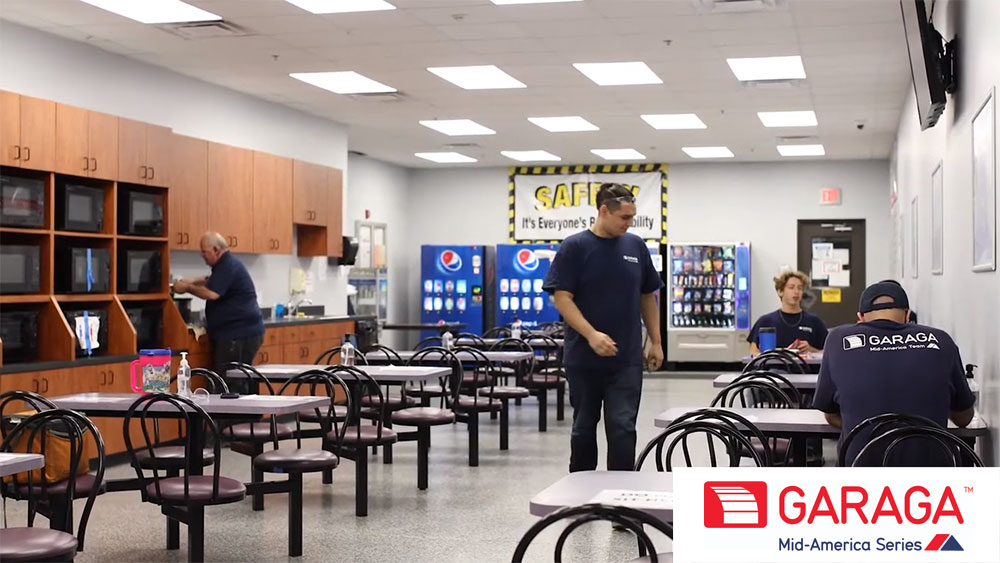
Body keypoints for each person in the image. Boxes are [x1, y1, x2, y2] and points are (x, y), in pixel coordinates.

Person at [543, 182, 663, 473]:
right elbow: (562, 298)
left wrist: (656, 341)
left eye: (632, 217)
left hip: (627, 359)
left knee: (623, 428)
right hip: (584, 358)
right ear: (603, 211)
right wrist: (591, 334)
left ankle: (620, 500)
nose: (629, 223)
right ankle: (582, 498)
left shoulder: (635, 246)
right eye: (624, 217)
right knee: (584, 428)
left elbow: (647, 295)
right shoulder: (575, 247)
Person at [812, 281, 975, 465]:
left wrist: (873, 426)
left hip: (863, 470)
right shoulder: (941, 339)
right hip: (932, 473)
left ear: (861, 318)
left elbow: (830, 414)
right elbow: (964, 418)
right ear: (907, 315)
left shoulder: (837, 339)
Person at [172, 232, 265, 391]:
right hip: (241, 332)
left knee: (231, 380)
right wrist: (192, 280)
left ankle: (236, 415)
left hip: (238, 334)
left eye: (204, 251)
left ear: (216, 249)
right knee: (239, 377)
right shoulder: (225, 265)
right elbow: (210, 280)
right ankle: (245, 415)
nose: (202, 255)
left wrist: (187, 287)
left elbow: (211, 294)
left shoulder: (228, 265)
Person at [747, 270, 828, 354]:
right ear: (780, 291)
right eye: (791, 287)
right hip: (774, 366)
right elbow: (753, 351)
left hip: (806, 366)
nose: (796, 292)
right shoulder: (766, 321)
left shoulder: (814, 321)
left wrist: (810, 350)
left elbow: (828, 352)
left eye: (800, 288)